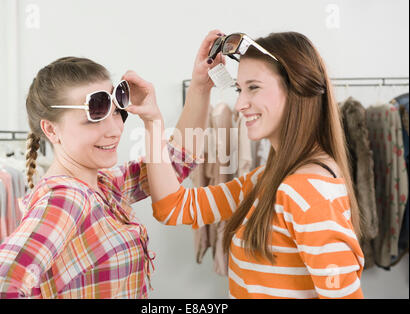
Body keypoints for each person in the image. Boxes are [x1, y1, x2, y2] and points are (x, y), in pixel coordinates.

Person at [0, 37, 220, 298]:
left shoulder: (105, 185)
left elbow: (175, 162)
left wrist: (195, 90)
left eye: (116, 110)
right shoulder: (65, 200)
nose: (114, 130)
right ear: (51, 130)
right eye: (94, 116)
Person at [137, 31, 365, 299]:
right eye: (239, 89)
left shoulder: (306, 190)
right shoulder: (267, 180)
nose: (240, 104)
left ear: (298, 87)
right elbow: (173, 207)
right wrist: (161, 116)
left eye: (253, 87)